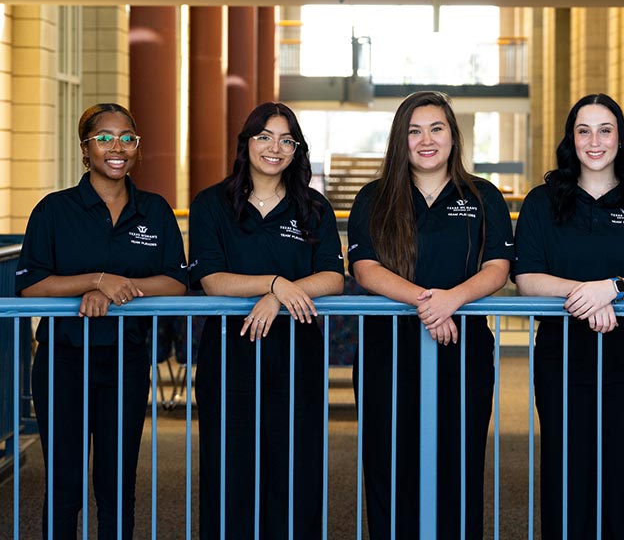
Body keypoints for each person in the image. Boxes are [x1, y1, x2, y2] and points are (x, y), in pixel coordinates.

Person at [16, 103, 188, 539]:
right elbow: (30, 286)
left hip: (126, 360)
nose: (118, 147)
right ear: (85, 148)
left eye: (128, 138)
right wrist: (94, 280)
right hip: (63, 360)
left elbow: (177, 282)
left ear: (137, 148)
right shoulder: (54, 210)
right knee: (64, 482)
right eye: (106, 138)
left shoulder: (155, 211)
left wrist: (118, 288)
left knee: (117, 483)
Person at [347, 91, 514, 539]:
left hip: (463, 352)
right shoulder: (375, 197)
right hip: (388, 355)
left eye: (436, 128)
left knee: (458, 463)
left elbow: (497, 268)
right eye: (414, 130)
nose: (426, 140)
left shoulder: (483, 196)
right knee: (388, 465)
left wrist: (452, 300)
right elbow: (365, 268)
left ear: (453, 137)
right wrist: (429, 302)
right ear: (400, 140)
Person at [514, 93, 624, 538]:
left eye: (605, 130)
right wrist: (589, 298)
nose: (595, 141)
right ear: (571, 139)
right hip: (561, 358)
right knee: (567, 464)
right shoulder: (541, 202)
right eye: (583, 130)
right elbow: (527, 278)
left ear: (620, 138)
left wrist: (613, 289)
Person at [189, 102, 344, 539]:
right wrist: (276, 284)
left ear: (296, 150)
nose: (274, 148)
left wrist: (278, 297)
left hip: (297, 358)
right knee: (229, 471)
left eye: (286, 140)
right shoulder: (211, 205)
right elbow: (212, 280)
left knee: (295, 471)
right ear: (247, 143)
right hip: (230, 359)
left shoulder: (313, 207)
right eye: (264, 137)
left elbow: (333, 277)